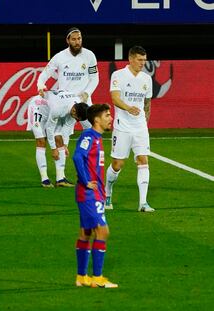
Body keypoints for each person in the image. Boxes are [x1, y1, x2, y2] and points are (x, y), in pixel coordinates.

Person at [37, 27, 99, 186]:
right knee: (60, 136)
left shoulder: (89, 55)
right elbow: (45, 73)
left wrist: (86, 93)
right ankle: (61, 177)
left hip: (84, 105)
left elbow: (94, 78)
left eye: (79, 39)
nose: (77, 42)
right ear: (68, 40)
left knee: (91, 134)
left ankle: (89, 169)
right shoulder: (59, 57)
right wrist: (41, 85)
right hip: (65, 105)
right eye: (74, 39)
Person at [73, 103, 118, 288]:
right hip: (89, 193)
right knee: (103, 231)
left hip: (95, 192)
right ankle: (97, 278)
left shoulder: (97, 138)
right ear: (97, 119)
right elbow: (77, 157)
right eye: (107, 115)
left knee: (86, 232)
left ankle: (81, 277)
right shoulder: (89, 136)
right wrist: (85, 181)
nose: (110, 118)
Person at [104, 46, 154, 212]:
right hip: (122, 127)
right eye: (140, 60)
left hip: (140, 127)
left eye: (144, 60)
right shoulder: (118, 75)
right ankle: (107, 193)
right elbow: (115, 98)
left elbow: (147, 103)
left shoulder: (147, 79)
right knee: (118, 164)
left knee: (143, 160)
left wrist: (145, 120)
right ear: (131, 59)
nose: (142, 63)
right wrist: (128, 108)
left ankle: (143, 203)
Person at [27, 90, 88, 187]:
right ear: (74, 111)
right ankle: (45, 180)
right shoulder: (58, 109)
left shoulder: (77, 107)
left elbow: (67, 127)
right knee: (41, 141)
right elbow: (49, 128)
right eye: (77, 118)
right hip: (39, 107)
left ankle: (60, 179)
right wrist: (53, 149)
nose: (76, 121)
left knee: (59, 140)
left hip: (52, 108)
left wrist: (65, 145)